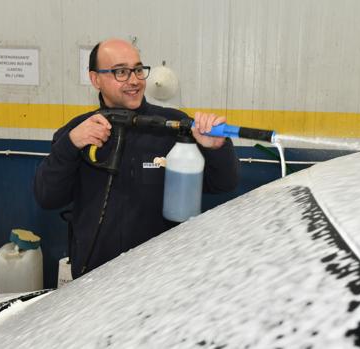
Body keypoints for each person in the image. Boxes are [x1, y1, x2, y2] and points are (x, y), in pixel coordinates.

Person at [34, 38, 240, 278]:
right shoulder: (77, 132)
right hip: (94, 281)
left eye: (138, 70)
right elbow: (47, 197)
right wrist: (69, 145)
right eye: (121, 71)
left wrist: (216, 149)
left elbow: (224, 183)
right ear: (95, 79)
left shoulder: (173, 126)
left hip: (161, 277)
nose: (134, 80)